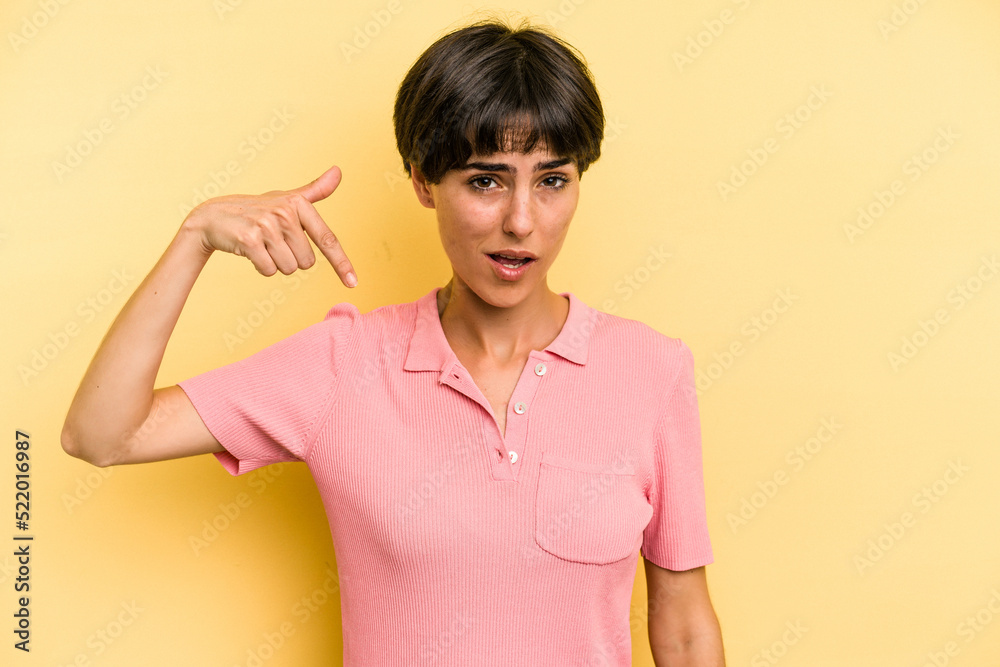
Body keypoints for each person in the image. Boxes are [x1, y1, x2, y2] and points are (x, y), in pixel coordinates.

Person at [61, 17, 725, 666]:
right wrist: (195, 238)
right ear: (422, 181)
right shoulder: (343, 366)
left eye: (552, 179)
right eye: (485, 180)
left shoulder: (652, 370)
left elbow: (685, 628)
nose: (522, 221)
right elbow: (101, 433)